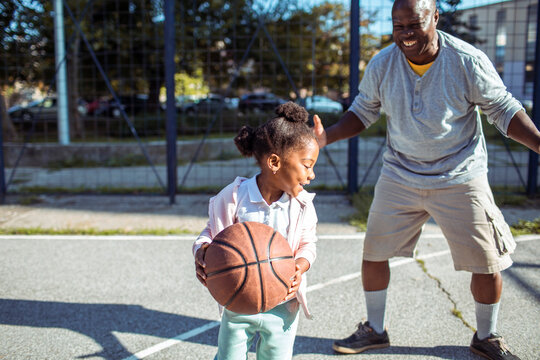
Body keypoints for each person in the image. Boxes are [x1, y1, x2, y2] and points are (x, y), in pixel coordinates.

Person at [313, 0, 540, 359]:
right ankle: (375, 330)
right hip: (400, 174)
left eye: (414, 24)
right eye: (397, 25)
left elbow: (503, 109)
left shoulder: (467, 60)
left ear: (435, 17)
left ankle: (486, 336)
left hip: (460, 174)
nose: (405, 34)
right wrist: (327, 137)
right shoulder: (382, 63)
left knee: (488, 262)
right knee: (373, 253)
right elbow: (362, 111)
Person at [193, 102, 320, 360]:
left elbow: (309, 243)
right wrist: (202, 251)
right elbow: (210, 234)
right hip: (238, 297)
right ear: (274, 162)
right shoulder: (234, 196)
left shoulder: (302, 204)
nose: (312, 175)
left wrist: (301, 265)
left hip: (283, 302)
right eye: (307, 165)